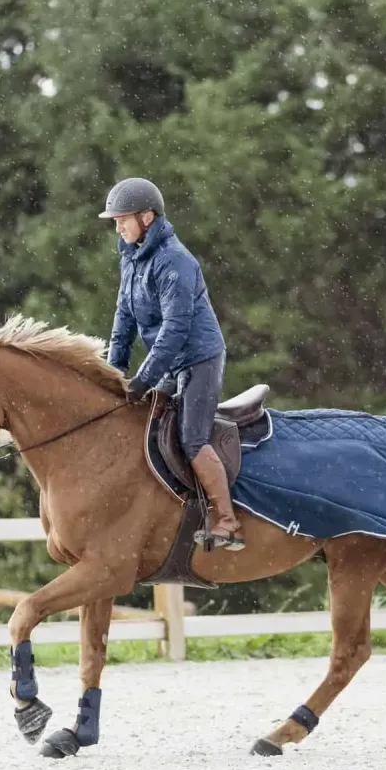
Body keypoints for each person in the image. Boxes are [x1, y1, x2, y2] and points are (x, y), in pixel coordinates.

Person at [100, 177, 245, 551]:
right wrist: (112, 375)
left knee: (191, 437)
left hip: (199, 358)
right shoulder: (131, 257)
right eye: (115, 220)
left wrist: (143, 379)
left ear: (147, 217)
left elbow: (176, 330)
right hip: (169, 361)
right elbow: (123, 322)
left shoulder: (175, 262)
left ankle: (227, 521)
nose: (117, 226)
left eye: (122, 219)